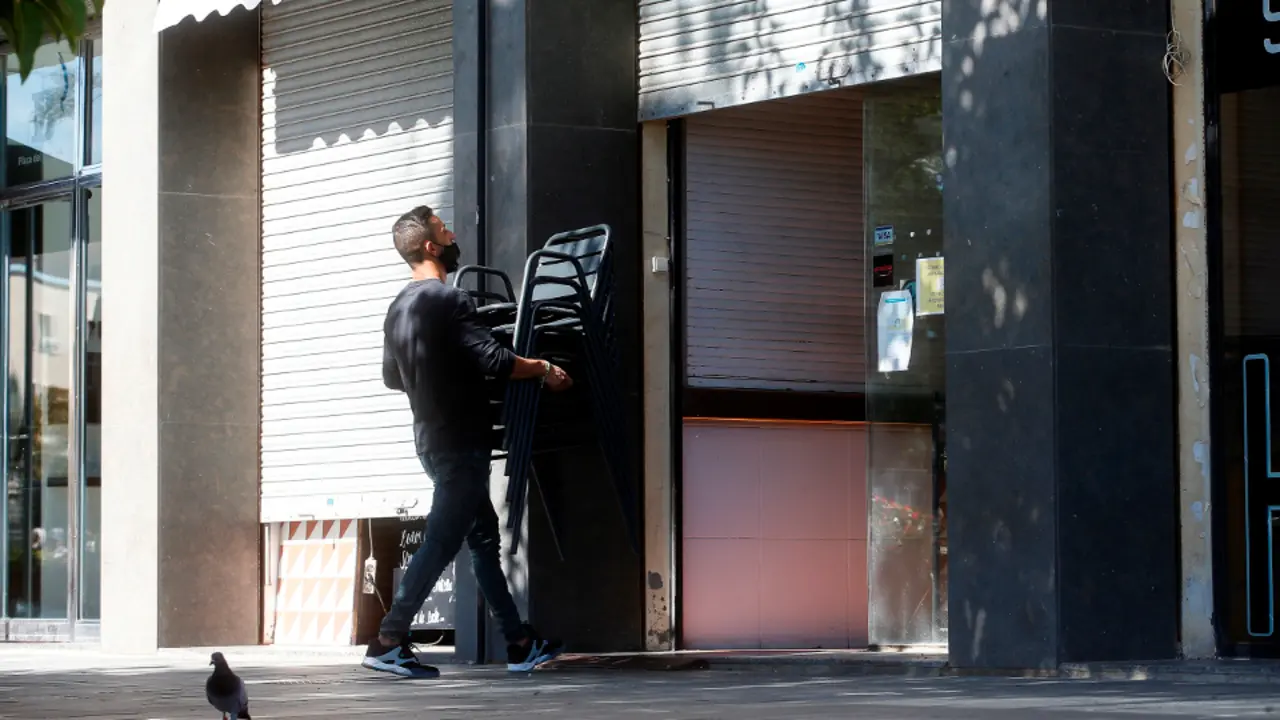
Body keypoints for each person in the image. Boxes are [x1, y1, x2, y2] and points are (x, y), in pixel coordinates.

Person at [363, 205, 572, 679]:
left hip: (431, 441)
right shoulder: (449, 300)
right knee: (441, 541)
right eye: (444, 229)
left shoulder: (397, 307)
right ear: (432, 247)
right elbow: (496, 359)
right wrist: (543, 368)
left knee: (481, 539)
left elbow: (392, 378)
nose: (453, 234)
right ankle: (388, 640)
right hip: (462, 442)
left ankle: (519, 643)